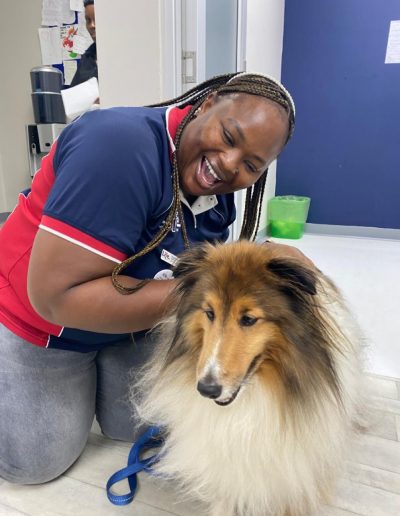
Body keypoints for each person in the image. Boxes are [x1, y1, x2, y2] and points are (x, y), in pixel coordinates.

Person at [0, 72, 310, 485]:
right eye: (229, 136)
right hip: (41, 322)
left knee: (140, 428)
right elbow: (56, 299)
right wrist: (207, 289)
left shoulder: (218, 194)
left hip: (128, 327)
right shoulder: (117, 149)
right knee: (34, 465)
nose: (229, 164)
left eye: (252, 165)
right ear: (207, 103)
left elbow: (206, 284)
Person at [70, 0, 97, 87]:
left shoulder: (122, 55)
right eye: (88, 20)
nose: (91, 25)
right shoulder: (88, 56)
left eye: (97, 19)